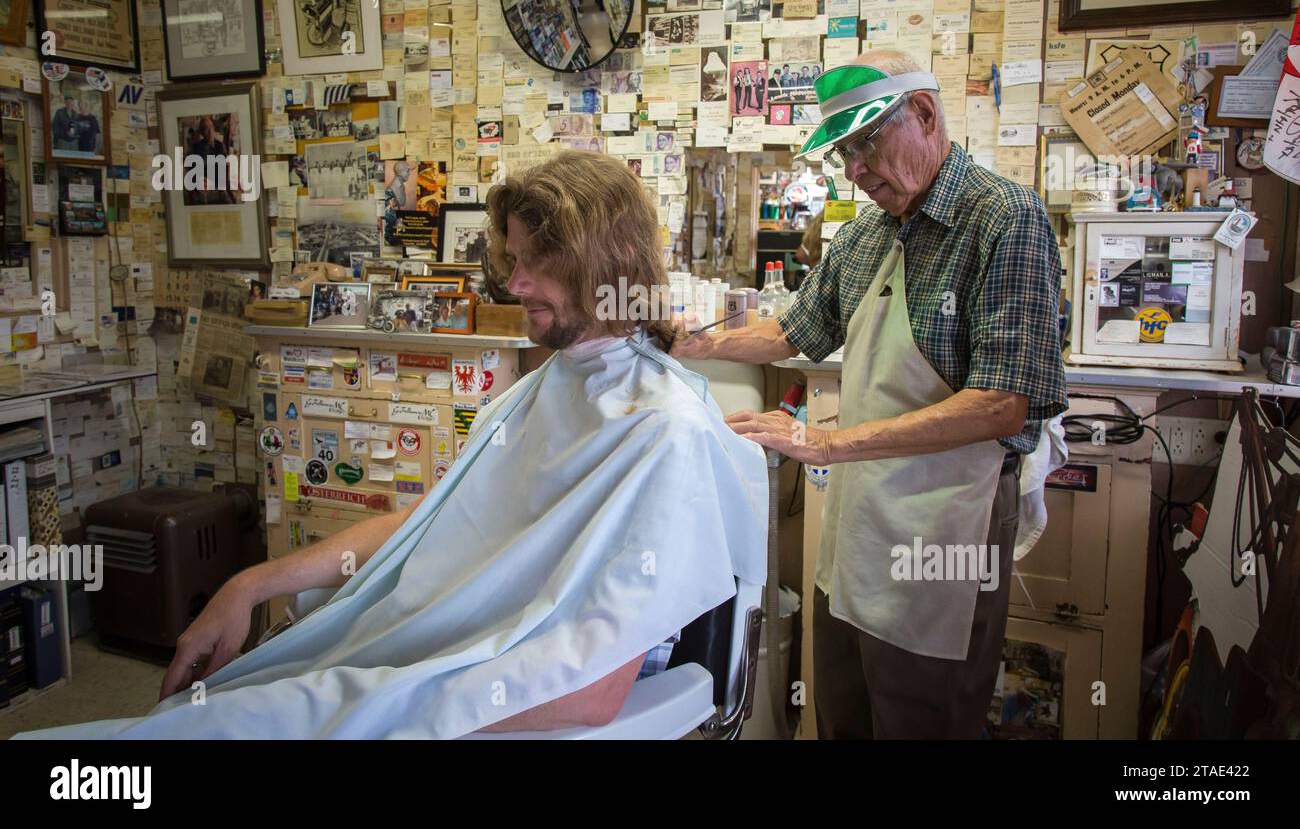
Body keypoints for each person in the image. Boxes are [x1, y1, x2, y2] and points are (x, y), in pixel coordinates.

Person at [16, 151, 765, 740]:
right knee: (234, 701)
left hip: (502, 683)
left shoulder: (662, 432)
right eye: (512, 260)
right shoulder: (545, 390)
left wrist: (380, 702)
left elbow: (590, 688)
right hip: (449, 645)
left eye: (538, 263)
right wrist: (255, 583)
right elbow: (435, 523)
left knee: (266, 713)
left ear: (607, 259)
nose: (517, 283)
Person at [674, 49, 1067, 740]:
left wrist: (824, 442)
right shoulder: (862, 237)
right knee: (845, 709)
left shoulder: (1003, 219)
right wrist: (696, 343)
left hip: (950, 523)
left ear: (923, 114)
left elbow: (1003, 404)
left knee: (926, 715)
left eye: (866, 143)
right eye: (843, 152)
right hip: (861, 519)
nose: (854, 169)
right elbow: (793, 328)